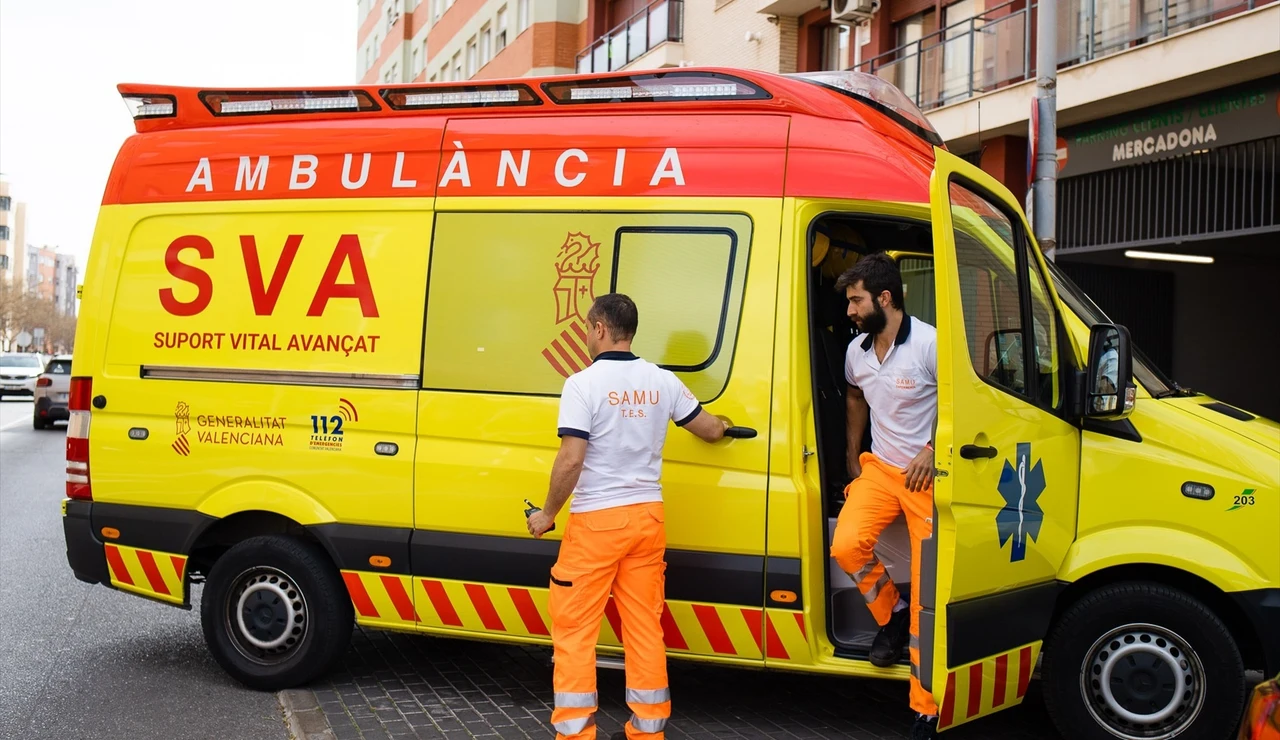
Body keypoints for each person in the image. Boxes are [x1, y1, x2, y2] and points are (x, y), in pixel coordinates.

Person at [527, 293, 730, 740]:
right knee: (642, 625)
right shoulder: (662, 381)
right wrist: (727, 426)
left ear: (600, 328)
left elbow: (570, 460)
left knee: (576, 627)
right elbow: (709, 428)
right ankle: (648, 728)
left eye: (587, 328)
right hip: (647, 519)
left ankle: (576, 733)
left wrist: (547, 513)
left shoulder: (582, 384)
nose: (585, 336)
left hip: (598, 521)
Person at [828, 253, 940, 740]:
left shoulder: (931, 345)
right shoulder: (856, 351)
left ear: (884, 297)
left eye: (856, 301)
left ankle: (925, 708)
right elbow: (855, 396)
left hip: (925, 477)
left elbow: (964, 403)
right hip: (880, 470)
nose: (850, 311)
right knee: (846, 546)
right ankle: (891, 614)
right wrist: (855, 455)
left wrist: (934, 450)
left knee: (929, 591)